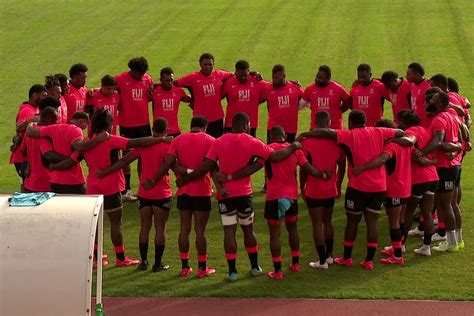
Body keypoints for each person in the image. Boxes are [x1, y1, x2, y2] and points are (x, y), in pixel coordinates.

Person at [176, 112, 302, 281]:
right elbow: (276, 156)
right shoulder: (252, 141)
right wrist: (294, 146)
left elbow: (207, 166)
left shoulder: (219, 141)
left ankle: (232, 271)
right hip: (244, 194)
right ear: (246, 125)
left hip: (226, 195)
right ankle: (255, 267)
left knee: (229, 232)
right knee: (248, 230)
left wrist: (187, 180)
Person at [49, 109, 171, 268]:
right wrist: (161, 140)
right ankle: (120, 258)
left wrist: (54, 166)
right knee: (116, 224)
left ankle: (94, 259)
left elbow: (71, 162)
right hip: (112, 187)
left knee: (94, 225)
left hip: (92, 188)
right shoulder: (111, 140)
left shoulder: (86, 143)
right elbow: (138, 142)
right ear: (108, 125)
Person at [298, 110, 404, 270]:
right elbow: (400, 132)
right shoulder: (379, 131)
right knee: (372, 222)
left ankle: (345, 258)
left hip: (357, 186)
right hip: (380, 186)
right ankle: (369, 260)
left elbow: (325, 133)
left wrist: (306, 133)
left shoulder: (349, 135)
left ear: (351, 123)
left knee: (350, 222)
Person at [216, 126, 323, 280]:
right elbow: (309, 169)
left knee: (275, 235)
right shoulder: (296, 151)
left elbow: (251, 169)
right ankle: (295, 263)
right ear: (285, 135)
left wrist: (230, 178)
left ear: (271, 137)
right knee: (293, 230)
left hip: (273, 198)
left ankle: (278, 271)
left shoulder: (266, 150)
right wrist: (323, 174)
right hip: (291, 198)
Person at [143, 116, 216, 278]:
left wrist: (182, 177)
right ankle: (202, 268)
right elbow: (209, 166)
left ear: (191, 126)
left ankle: (185, 267)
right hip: (202, 191)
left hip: (184, 192)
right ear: (204, 127)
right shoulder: (211, 140)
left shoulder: (178, 140)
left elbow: (170, 163)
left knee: (184, 229)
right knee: (200, 231)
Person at [352, 119, 415, 265]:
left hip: (394, 188)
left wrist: (362, 167)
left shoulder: (391, 146)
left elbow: (381, 161)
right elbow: (414, 152)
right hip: (406, 186)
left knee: (394, 223)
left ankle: (398, 257)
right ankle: (397, 248)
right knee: (400, 220)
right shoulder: (405, 144)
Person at [415, 91, 464, 252]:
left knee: (446, 205)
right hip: (454, 165)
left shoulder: (439, 119)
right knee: (452, 204)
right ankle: (458, 239)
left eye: (434, 100)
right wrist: (454, 148)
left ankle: (451, 243)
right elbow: (458, 139)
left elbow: (437, 140)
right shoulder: (452, 117)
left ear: (441, 104)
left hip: (445, 167)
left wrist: (421, 152)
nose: (430, 101)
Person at [300, 111, 344, 269]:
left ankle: (322, 261)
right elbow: (342, 164)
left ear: (314, 122)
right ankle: (330, 256)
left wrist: (302, 186)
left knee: (317, 224)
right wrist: (338, 184)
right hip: (330, 189)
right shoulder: (336, 141)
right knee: (328, 221)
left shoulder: (307, 141)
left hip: (314, 189)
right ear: (329, 122)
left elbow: (304, 166)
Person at [25, 111, 108, 194]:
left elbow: (30, 132)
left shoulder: (54, 127)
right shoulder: (76, 130)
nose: (84, 129)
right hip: (74, 181)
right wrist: (97, 139)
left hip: (55, 181)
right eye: (85, 126)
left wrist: (30, 124)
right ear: (81, 121)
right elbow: (79, 147)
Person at [300, 65, 349, 196]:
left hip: (336, 131)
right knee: (309, 160)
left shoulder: (338, 89)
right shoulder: (310, 89)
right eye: (317, 77)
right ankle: (304, 187)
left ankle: (337, 187)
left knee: (340, 161)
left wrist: (339, 111)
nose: (317, 79)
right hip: (315, 131)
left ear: (328, 78)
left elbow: (349, 101)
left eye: (320, 78)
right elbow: (300, 105)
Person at [395, 110, 439, 256]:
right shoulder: (426, 132)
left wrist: (392, 139)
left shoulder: (410, 131)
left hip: (419, 178)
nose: (397, 125)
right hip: (433, 177)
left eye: (399, 122)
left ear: (405, 122)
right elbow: (435, 158)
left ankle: (400, 245)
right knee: (427, 213)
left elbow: (415, 156)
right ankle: (426, 247)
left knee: (408, 212)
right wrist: (429, 162)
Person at [115, 56, 154, 201]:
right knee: (127, 157)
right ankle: (126, 190)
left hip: (144, 124)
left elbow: (150, 93)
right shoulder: (120, 79)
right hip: (127, 124)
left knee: (144, 156)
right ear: (131, 70)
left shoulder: (147, 79)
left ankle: (143, 187)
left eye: (143, 73)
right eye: (139, 73)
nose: (141, 76)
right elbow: (107, 88)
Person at [175, 53, 233, 138]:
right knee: (200, 146)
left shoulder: (219, 74)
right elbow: (174, 84)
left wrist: (252, 73)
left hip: (217, 118)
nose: (207, 67)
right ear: (200, 64)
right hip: (200, 120)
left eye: (210, 64)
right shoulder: (192, 78)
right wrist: (187, 98)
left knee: (217, 145)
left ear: (213, 64)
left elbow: (233, 74)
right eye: (205, 64)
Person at [10, 84, 48, 188]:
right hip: (21, 156)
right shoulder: (27, 110)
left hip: (27, 154)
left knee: (27, 185)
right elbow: (19, 128)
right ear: (35, 95)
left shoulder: (35, 108)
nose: (45, 98)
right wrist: (31, 120)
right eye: (43, 95)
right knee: (27, 186)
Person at [222, 60, 266, 137]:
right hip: (231, 124)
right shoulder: (228, 83)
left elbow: (273, 88)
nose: (243, 78)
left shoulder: (257, 81)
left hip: (250, 124)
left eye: (245, 75)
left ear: (249, 71)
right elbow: (216, 96)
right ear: (236, 72)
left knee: (250, 148)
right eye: (240, 75)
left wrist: (290, 84)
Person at [262, 64, 304, 143]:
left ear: (284, 76)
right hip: (273, 129)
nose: (274, 80)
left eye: (277, 78)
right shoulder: (267, 89)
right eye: (273, 77)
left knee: (289, 154)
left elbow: (307, 98)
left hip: (290, 129)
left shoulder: (295, 87)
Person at [21, 106, 58, 192]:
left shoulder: (30, 132)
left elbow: (23, 150)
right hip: (46, 182)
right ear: (49, 118)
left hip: (30, 182)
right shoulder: (47, 134)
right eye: (56, 118)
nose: (57, 122)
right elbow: (49, 156)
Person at [150, 67, 191, 138]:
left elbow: (189, 99)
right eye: (166, 80)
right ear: (161, 80)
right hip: (159, 131)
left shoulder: (178, 91)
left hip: (175, 131)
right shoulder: (154, 91)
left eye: (171, 80)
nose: (169, 83)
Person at [406, 62, 431, 128]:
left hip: (426, 126)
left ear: (417, 74)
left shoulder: (428, 86)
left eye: (408, 74)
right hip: (417, 125)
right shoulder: (413, 85)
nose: (406, 76)